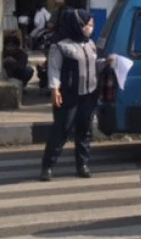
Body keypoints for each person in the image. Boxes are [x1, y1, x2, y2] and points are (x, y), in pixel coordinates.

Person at [39, 10, 116, 181]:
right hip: (69, 94)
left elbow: (93, 65)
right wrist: (54, 89)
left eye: (91, 25)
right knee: (61, 129)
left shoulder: (89, 44)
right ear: (77, 25)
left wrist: (106, 63)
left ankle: (82, 165)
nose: (90, 28)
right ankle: (48, 166)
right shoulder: (60, 46)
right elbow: (54, 69)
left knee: (85, 130)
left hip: (89, 93)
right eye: (87, 25)